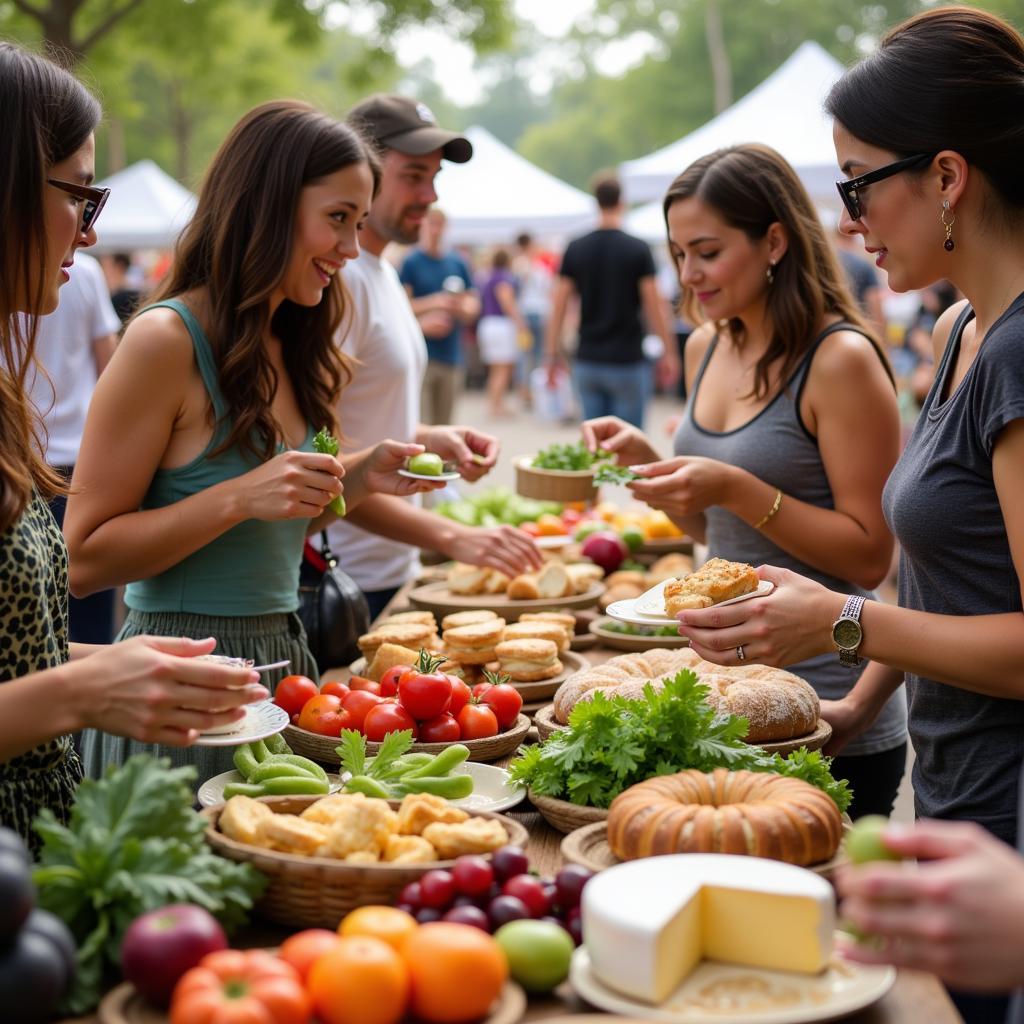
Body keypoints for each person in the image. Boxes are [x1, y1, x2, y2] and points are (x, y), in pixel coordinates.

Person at [670, 10, 1024, 1020]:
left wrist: (840, 618)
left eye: (858, 182)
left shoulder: (1011, 353)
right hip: (953, 785)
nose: (849, 216)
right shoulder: (960, 329)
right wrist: (859, 701)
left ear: (946, 177)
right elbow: (939, 566)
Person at [63, 100, 443, 782]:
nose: (350, 249)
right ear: (265, 206)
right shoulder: (164, 340)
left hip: (288, 671)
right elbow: (82, 558)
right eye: (336, 219)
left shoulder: (298, 336)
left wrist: (357, 476)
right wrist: (238, 497)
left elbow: (286, 522)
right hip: (178, 683)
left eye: (358, 224)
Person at [0, 41, 270, 851]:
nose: (89, 235)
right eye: (81, 197)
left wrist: (109, 658)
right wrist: (84, 689)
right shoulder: (164, 338)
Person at [583, 144, 906, 819]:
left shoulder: (839, 357)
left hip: (821, 710)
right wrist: (658, 470)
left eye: (706, 252)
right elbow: (722, 540)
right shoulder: (706, 344)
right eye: (676, 255)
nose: (687, 275)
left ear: (775, 241)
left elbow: (872, 555)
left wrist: (733, 485)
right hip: (719, 704)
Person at [333, 94, 542, 618]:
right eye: (414, 176)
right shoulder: (338, 284)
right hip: (344, 577)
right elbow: (319, 460)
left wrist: (428, 437)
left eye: (435, 177)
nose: (430, 195)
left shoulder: (381, 274)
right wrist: (455, 536)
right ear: (362, 172)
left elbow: (363, 419)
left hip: (389, 570)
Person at [26, 250, 120, 645]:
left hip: (26, 458)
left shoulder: (61, 270)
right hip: (79, 463)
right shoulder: (88, 271)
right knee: (88, 617)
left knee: (33, 622)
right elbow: (110, 369)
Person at [545, 173, 679, 428]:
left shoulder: (575, 248)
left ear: (596, 202)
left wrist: (551, 356)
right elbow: (656, 307)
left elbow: (558, 307)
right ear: (622, 202)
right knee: (629, 447)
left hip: (588, 359)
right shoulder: (638, 248)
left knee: (596, 447)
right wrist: (669, 353)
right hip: (628, 360)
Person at [400, 206, 478, 425]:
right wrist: (435, 303)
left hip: (452, 356)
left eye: (439, 224)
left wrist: (459, 308)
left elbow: (473, 306)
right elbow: (401, 306)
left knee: (445, 426)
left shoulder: (457, 262)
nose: (435, 230)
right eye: (431, 223)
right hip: (422, 356)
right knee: (421, 424)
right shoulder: (412, 261)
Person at [477, 248, 529, 417]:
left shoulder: (488, 277)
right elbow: (507, 302)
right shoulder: (503, 279)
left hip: (488, 324)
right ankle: (496, 406)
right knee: (503, 368)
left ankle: (495, 404)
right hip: (500, 325)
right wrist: (520, 323)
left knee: (496, 369)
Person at [511, 232, 553, 402]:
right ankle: (525, 391)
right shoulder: (522, 265)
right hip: (528, 314)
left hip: (537, 313)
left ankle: (532, 390)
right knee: (526, 354)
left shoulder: (536, 265)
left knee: (533, 354)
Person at [100, 251, 142, 324]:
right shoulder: (135, 292)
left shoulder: (128, 296)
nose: (103, 270)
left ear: (119, 266)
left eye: (107, 266)